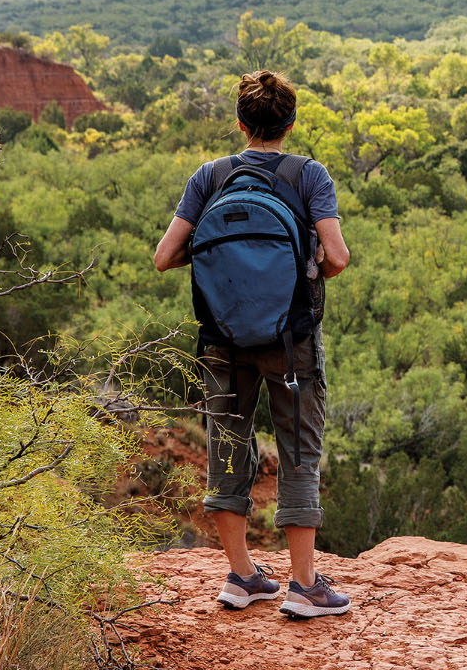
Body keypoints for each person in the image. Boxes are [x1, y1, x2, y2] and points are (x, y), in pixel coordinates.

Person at [154, 70, 353, 619]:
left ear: (240, 124)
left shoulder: (209, 176)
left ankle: (242, 577)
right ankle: (305, 586)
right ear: (290, 123)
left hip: (220, 336)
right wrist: (300, 280)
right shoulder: (308, 176)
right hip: (291, 340)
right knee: (298, 451)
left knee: (225, 443)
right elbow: (336, 257)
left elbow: (163, 256)